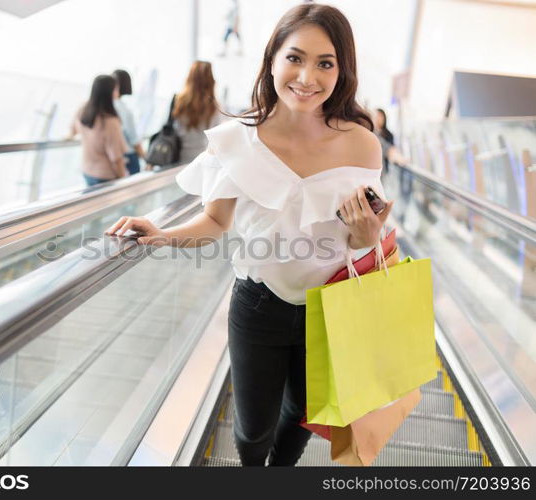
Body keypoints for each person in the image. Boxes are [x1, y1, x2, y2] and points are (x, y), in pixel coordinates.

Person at [106, 3, 393, 466]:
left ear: (343, 71)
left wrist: (365, 235)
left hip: (331, 306)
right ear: (272, 59)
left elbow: (362, 240)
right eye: (295, 58)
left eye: (326, 63)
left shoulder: (360, 143)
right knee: (251, 429)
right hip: (258, 305)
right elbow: (216, 223)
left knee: (303, 414)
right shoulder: (237, 138)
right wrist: (161, 234)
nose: (307, 76)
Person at [69, 74, 128, 186]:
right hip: (105, 175)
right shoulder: (110, 121)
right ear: (110, 91)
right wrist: (123, 179)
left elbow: (72, 129)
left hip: (87, 170)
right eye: (116, 88)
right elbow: (116, 157)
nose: (118, 91)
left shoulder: (83, 109)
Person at [171, 61, 224, 165]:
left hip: (178, 160)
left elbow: (170, 128)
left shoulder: (178, 101)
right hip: (203, 161)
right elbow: (216, 136)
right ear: (211, 80)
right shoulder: (214, 106)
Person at [112, 69, 145, 175]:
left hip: (112, 157)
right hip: (128, 157)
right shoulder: (124, 110)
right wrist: (147, 158)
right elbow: (134, 140)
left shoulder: (105, 107)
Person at [373, 108, 395, 173]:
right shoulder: (371, 133)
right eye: (376, 116)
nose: (378, 118)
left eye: (380, 116)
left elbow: (391, 150)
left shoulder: (389, 134)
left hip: (384, 169)